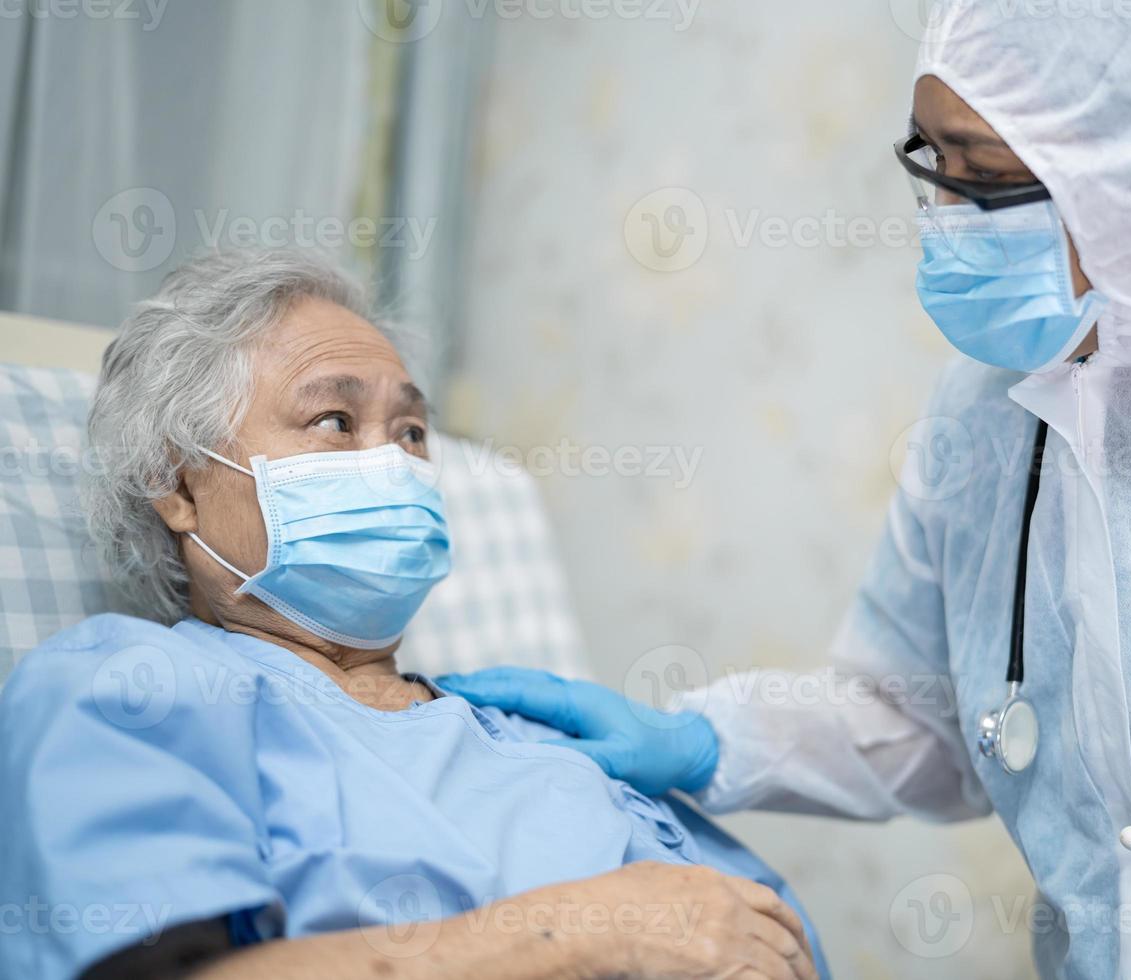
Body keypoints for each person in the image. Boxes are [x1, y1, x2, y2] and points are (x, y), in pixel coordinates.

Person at [441, 0, 1131, 976]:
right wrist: (707, 741)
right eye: (931, 161)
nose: (945, 217)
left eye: (986, 179)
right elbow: (920, 713)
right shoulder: (987, 409)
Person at [0, 249, 824, 980]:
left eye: (413, 430)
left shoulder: (534, 736)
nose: (392, 462)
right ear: (179, 487)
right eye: (334, 420)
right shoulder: (130, 690)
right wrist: (583, 933)